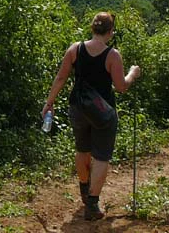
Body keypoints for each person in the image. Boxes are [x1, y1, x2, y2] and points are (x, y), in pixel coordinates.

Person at [41, 11, 141, 220]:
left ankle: (84, 190)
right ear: (111, 32)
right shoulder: (112, 55)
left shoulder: (75, 49)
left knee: (82, 149)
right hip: (103, 113)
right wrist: (133, 73)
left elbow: (60, 78)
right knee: (101, 157)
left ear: (92, 28)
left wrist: (49, 103)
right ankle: (92, 205)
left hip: (78, 107)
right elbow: (121, 87)